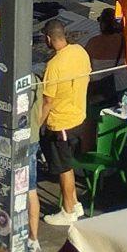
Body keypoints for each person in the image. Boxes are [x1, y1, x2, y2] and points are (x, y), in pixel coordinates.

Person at [34, 18, 91, 225]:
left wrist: (36, 125)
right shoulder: (80, 52)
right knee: (67, 164)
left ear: (49, 39)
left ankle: (68, 210)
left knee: (63, 168)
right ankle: (74, 203)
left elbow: (48, 101)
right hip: (79, 118)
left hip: (61, 123)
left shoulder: (54, 65)